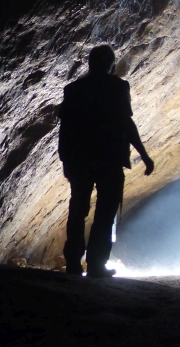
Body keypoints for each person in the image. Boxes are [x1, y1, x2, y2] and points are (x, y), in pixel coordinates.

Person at [58, 44, 155, 277]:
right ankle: (96, 264)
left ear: (91, 64)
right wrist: (143, 154)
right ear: (111, 64)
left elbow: (66, 126)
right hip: (109, 159)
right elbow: (125, 122)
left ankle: (72, 263)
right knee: (105, 212)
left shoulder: (73, 89)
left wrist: (66, 159)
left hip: (80, 159)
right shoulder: (117, 87)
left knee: (77, 209)